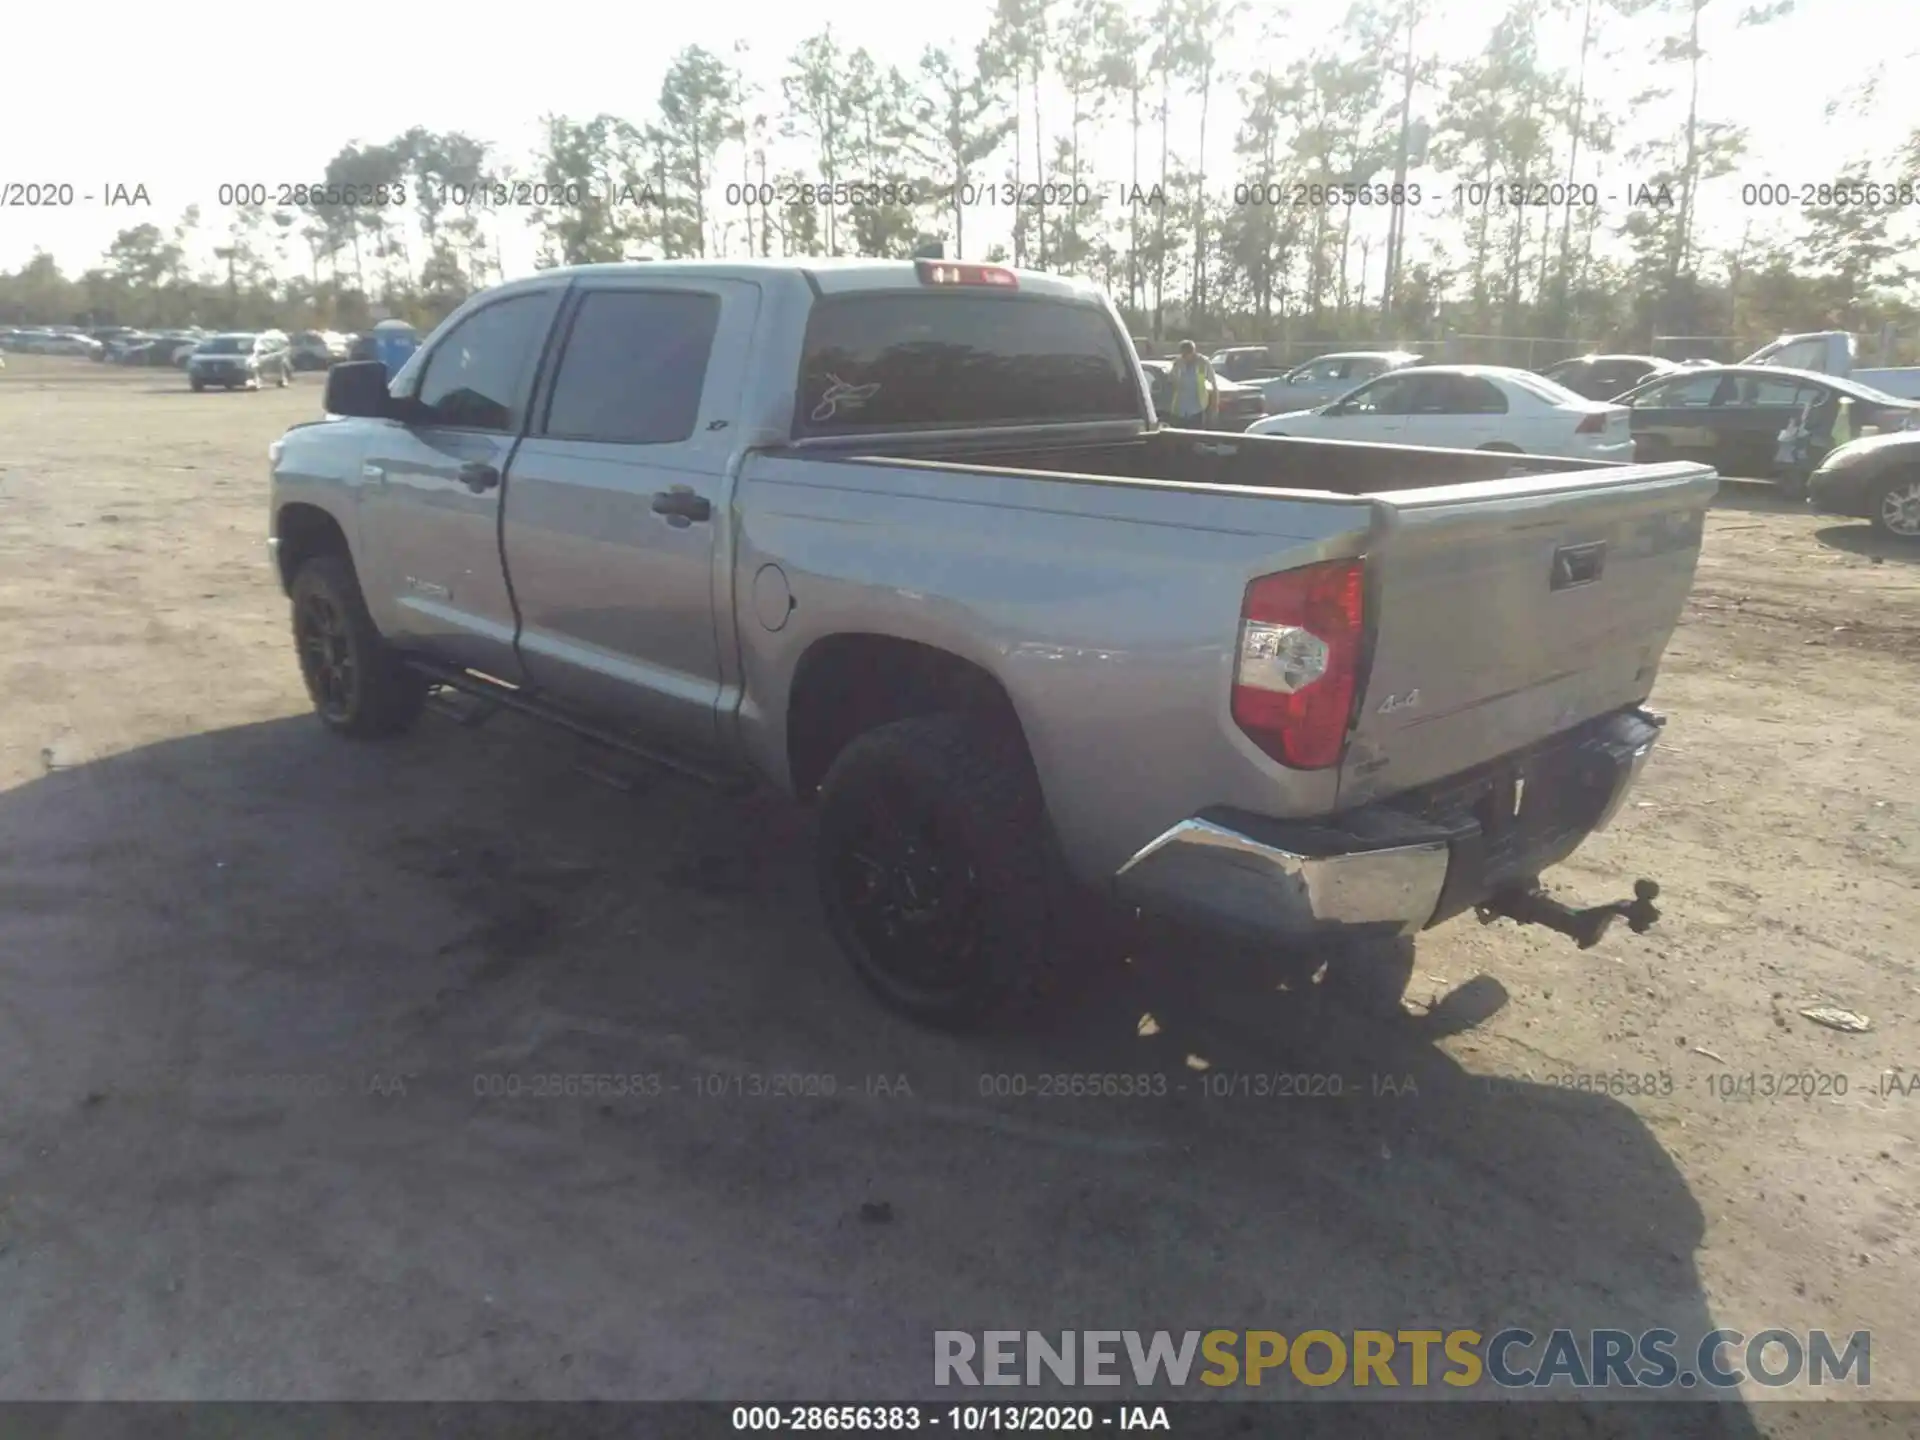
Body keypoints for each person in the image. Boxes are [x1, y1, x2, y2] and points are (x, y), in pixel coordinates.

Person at [1167, 340, 1218, 428]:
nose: (1184, 357)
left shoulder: (1203, 363)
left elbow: (1214, 385)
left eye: (1187, 354)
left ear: (1193, 352)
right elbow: (1171, 381)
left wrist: (1214, 406)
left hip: (1197, 409)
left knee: (1195, 438)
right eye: (1182, 354)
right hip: (1179, 410)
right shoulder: (1178, 363)